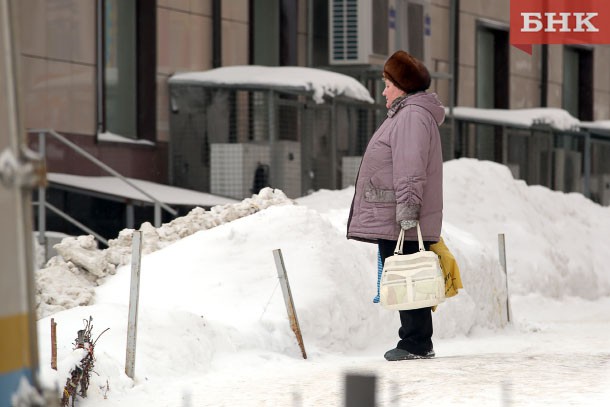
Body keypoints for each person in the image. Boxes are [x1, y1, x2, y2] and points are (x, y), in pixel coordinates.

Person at [346, 50, 445, 361]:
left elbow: (410, 168)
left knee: (408, 274)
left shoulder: (412, 116)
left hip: (400, 215)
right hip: (396, 214)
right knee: (405, 274)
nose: (384, 90)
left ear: (402, 85)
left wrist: (407, 212)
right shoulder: (406, 114)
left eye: (387, 84)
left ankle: (416, 342)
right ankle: (414, 340)